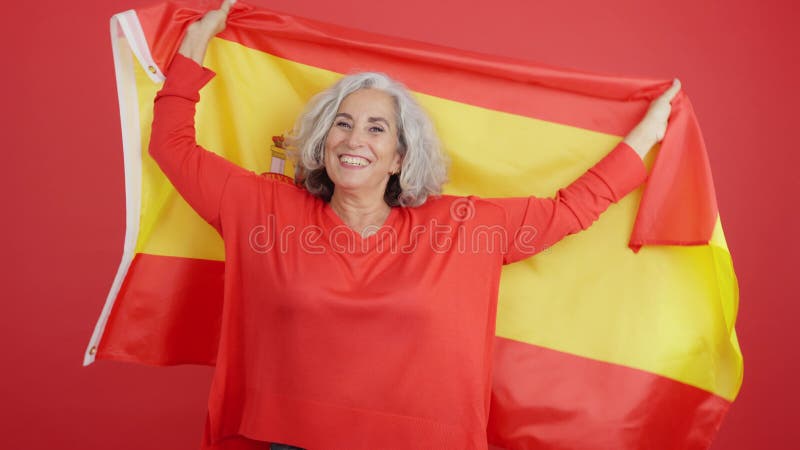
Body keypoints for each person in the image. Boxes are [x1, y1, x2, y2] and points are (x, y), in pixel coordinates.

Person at [152, 1, 682, 449]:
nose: (354, 139)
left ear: (400, 158)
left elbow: (571, 208)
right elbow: (171, 146)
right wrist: (198, 41)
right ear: (322, 142)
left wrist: (649, 133)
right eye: (343, 123)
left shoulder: (465, 228)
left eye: (376, 128)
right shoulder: (263, 210)